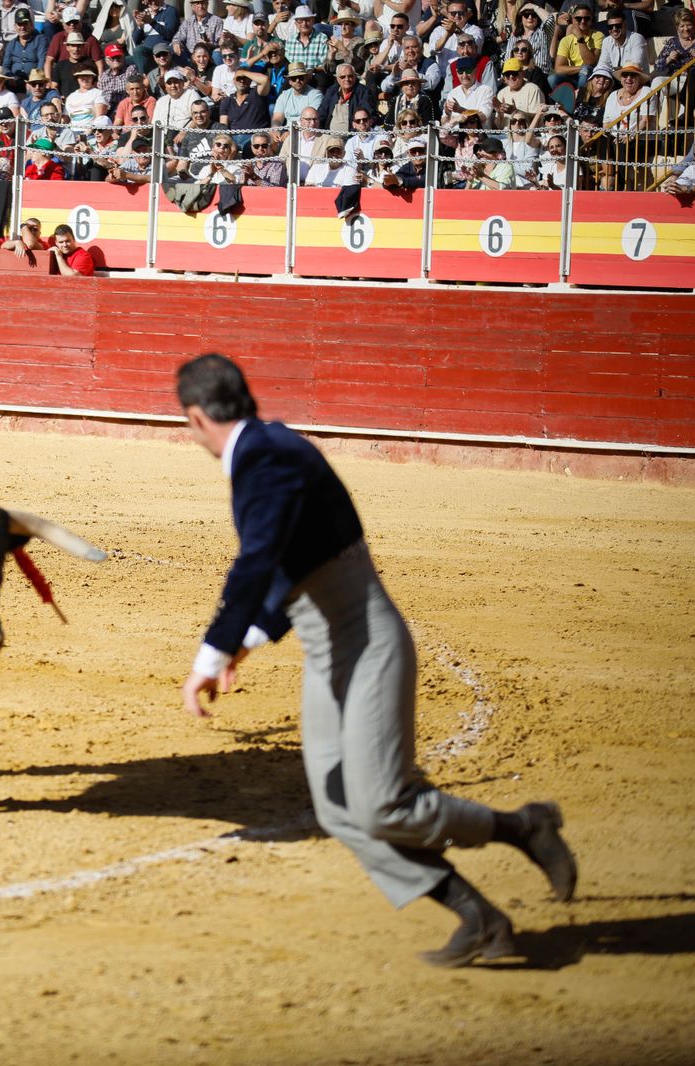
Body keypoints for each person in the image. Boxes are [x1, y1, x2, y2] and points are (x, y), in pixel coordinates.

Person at [172, 353, 578, 969]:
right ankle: (482, 919)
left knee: (382, 803)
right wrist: (253, 638)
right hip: (329, 644)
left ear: (197, 417)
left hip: (365, 641)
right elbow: (296, 557)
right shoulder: (272, 448)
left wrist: (214, 651)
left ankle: (522, 828)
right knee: (338, 808)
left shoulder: (265, 458)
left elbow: (258, 558)